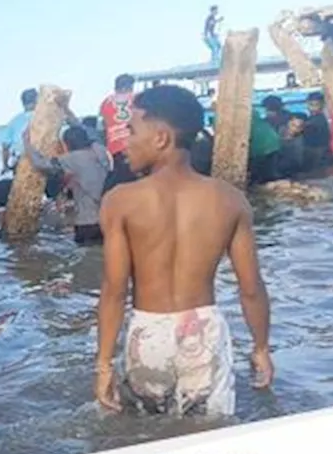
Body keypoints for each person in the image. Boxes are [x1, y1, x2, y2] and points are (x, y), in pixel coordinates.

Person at [95, 85, 273, 418]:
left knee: (148, 437)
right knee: (209, 436)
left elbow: (114, 292)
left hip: (148, 335)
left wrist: (104, 364)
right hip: (203, 330)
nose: (124, 143)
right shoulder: (230, 199)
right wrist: (261, 347)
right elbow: (251, 288)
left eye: (131, 130)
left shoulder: (120, 200)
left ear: (161, 138)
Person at [27, 126, 110, 245]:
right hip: (109, 219)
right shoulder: (100, 150)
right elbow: (90, 133)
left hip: (87, 223)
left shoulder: (69, 160)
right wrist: (68, 113)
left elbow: (40, 163)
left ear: (66, 144)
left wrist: (26, 143)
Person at [100, 74, 137, 190]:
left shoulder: (106, 102)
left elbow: (103, 126)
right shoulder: (137, 98)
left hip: (114, 150)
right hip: (136, 145)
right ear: (130, 86)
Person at [2, 89, 38, 174]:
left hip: (20, 161)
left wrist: (5, 165)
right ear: (37, 101)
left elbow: (5, 147)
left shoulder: (14, 121)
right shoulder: (45, 118)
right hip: (42, 161)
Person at [247, 111, 283, 185]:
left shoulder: (246, 122)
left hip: (261, 149)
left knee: (258, 174)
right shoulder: (258, 119)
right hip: (273, 146)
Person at [301, 92, 333, 171]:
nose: (313, 108)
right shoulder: (313, 118)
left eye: (316, 105)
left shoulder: (317, 120)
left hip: (319, 154)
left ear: (322, 106)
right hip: (320, 153)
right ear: (307, 104)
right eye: (311, 105)